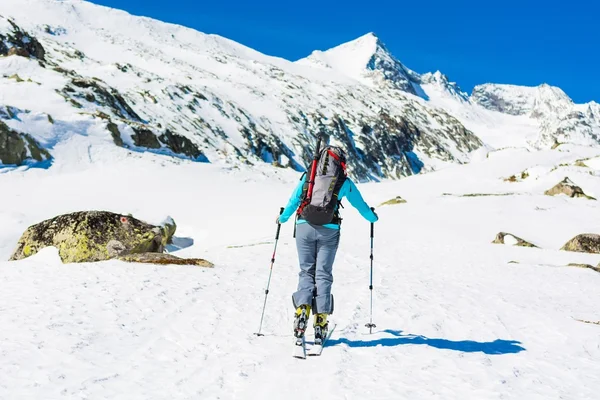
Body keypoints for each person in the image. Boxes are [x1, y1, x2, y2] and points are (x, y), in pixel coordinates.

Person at [276, 145, 379, 344]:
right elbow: (360, 205)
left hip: (304, 226)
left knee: (306, 271)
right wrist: (372, 217)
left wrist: (282, 218)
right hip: (329, 230)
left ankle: (302, 309)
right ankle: (321, 319)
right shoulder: (344, 182)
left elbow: (294, 200)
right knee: (323, 273)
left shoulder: (309, 176)